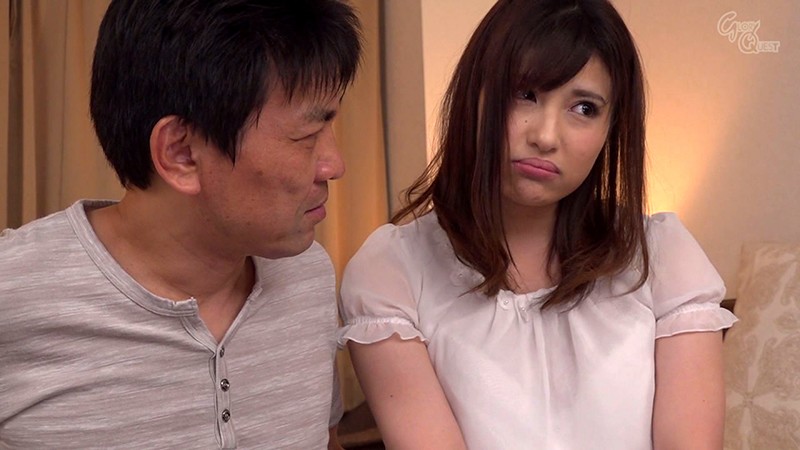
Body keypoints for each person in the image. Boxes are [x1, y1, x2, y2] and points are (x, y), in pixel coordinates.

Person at [338, 0, 737, 448]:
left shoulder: (662, 257)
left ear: (611, 128)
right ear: (474, 95)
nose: (545, 136)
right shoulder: (391, 272)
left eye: (584, 108)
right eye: (525, 94)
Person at [0, 0, 361, 448]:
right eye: (306, 136)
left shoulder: (306, 275)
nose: (334, 165)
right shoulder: (14, 293)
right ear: (182, 153)